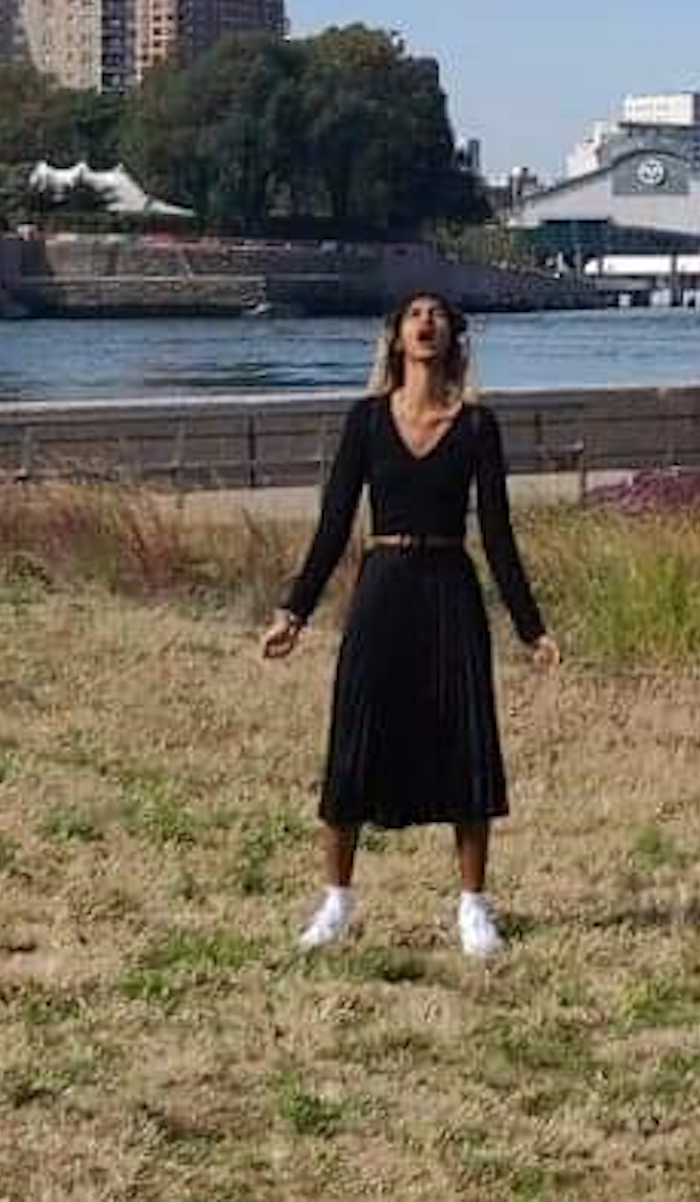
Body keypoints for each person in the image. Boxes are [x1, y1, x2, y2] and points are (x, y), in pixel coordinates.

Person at [260, 290, 558, 959]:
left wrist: (530, 626)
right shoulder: (365, 420)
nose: (427, 323)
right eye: (414, 315)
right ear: (395, 336)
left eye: (438, 315)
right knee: (354, 736)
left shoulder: (478, 426)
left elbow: (500, 534)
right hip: (383, 587)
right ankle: (337, 900)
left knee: (467, 739)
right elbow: (334, 523)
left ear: (453, 337)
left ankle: (473, 905)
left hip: (450, 589)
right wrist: (294, 611)